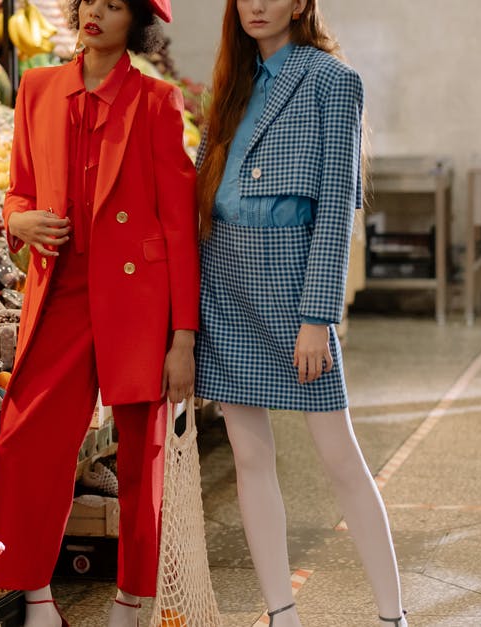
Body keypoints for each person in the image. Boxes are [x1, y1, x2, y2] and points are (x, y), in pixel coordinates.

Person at [0, 0, 198, 625]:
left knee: (141, 454)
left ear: (137, 22)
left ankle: (132, 599)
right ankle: (36, 595)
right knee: (27, 439)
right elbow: (20, 187)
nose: (94, 14)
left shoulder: (156, 102)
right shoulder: (39, 87)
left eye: (112, 5)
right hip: (61, 291)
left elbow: (179, 225)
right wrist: (16, 219)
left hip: (139, 297)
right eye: (86, 2)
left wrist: (182, 335)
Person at [193, 1, 407, 626]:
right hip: (226, 288)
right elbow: (201, 193)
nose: (256, 4)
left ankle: (393, 617)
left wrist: (319, 317)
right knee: (249, 458)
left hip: (291, 294)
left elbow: (338, 205)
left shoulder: (333, 81)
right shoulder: (230, 83)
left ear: (301, 3)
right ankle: (281, 613)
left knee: (340, 459)